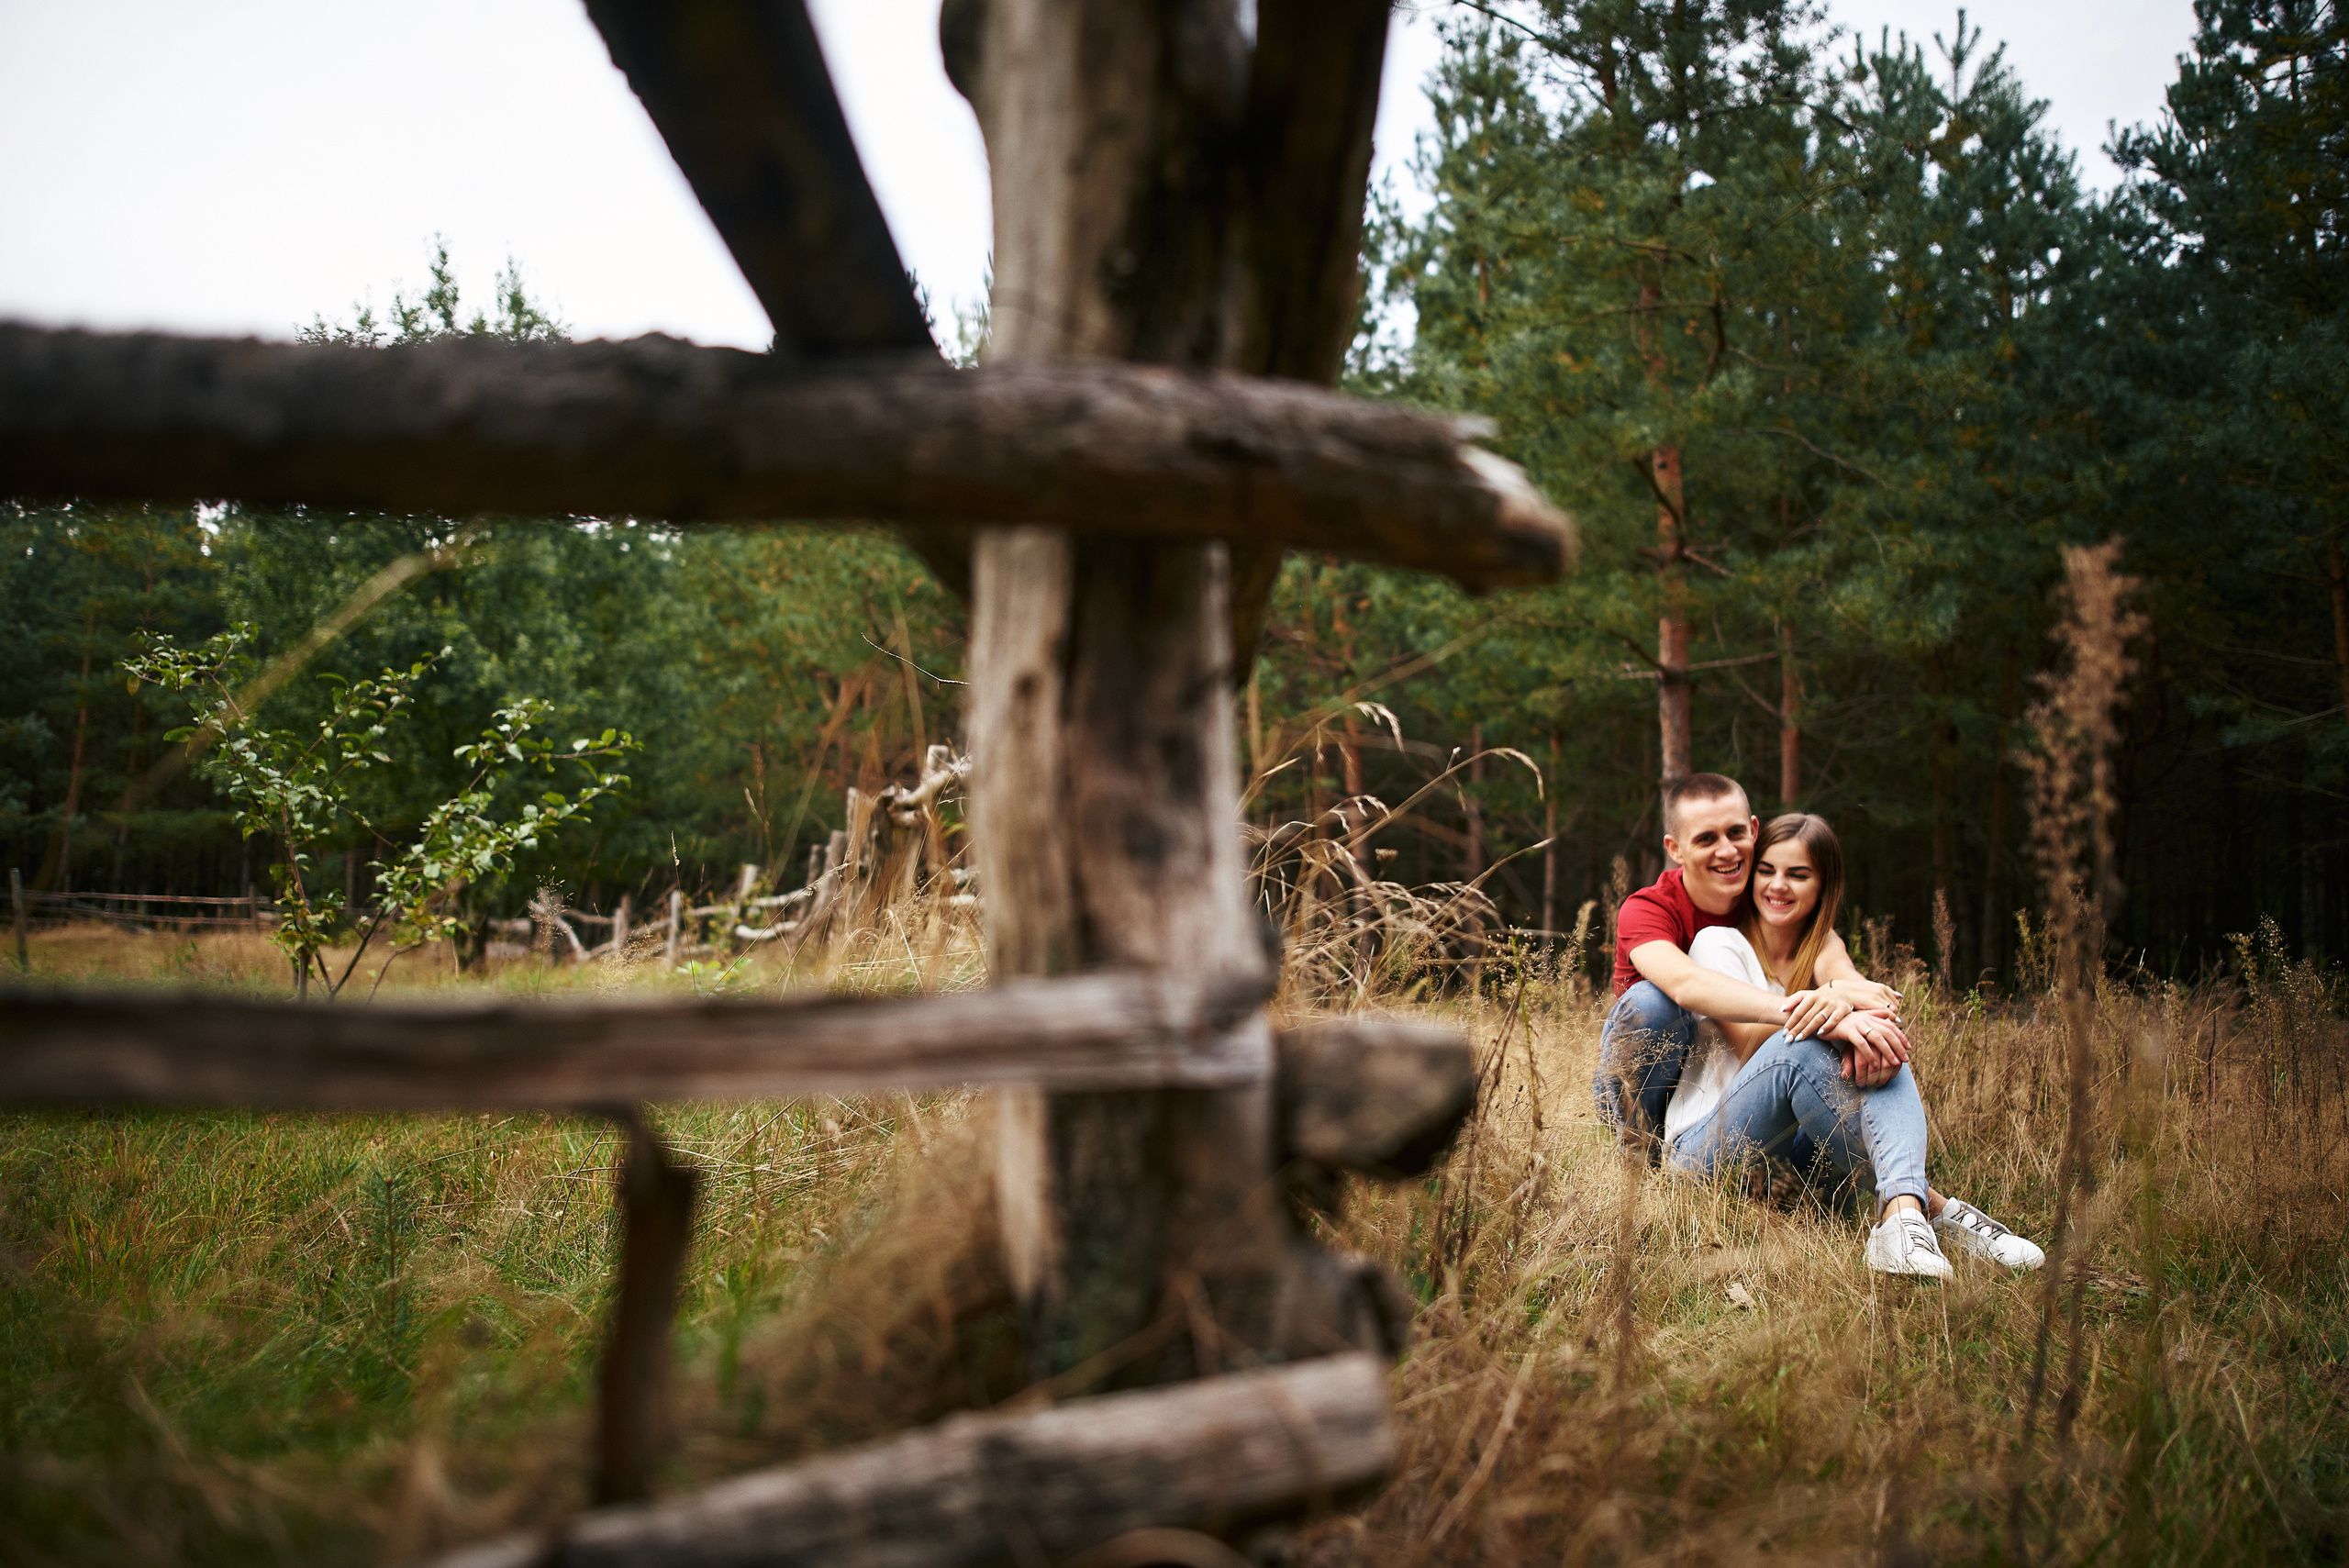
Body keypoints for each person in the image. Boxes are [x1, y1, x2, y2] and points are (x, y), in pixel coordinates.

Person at [1663, 812, 2045, 1276]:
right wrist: (1833, 1007)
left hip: (1789, 1162)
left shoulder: (1821, 945)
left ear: (1824, 887)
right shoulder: (1718, 943)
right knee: (1803, 1047)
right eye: (1767, 871)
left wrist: (1856, 1013)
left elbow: (1857, 988)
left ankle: (1902, 1218)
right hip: (1703, 1152)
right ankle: (1934, 1209)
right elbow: (1749, 1045)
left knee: (1874, 1038)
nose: (1778, 886)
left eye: (1798, 875)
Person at [1595, 773, 1904, 1164]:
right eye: (1707, 839)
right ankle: (1636, 1154)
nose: (1727, 851)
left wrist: (1851, 1001)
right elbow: (1686, 984)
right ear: (1675, 849)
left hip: (1743, 1101)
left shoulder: (1769, 900)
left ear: (1754, 830)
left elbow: (1840, 970)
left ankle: (1907, 1199)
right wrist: (1819, 1012)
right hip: (1658, 1092)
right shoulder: (1650, 908)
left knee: (1872, 1038)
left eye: (1736, 833)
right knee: (1653, 1003)